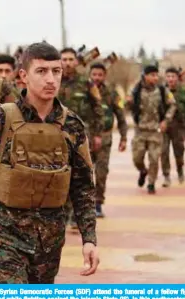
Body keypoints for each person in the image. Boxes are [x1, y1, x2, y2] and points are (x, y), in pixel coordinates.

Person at [0, 42, 99, 284]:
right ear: (23, 76)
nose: (51, 79)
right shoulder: (0, 118)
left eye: (56, 71)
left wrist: (89, 239)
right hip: (4, 237)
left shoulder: (72, 125)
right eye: (42, 71)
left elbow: (83, 187)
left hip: (50, 243)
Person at [58, 47, 103, 228]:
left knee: (80, 175)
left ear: (77, 62)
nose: (68, 63)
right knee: (62, 174)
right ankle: (64, 213)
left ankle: (79, 215)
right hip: (58, 136)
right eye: (64, 59)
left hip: (81, 136)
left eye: (71, 59)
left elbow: (97, 107)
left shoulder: (87, 83)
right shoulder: (53, 81)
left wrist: (98, 133)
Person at [131, 65, 177, 194]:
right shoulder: (136, 90)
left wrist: (166, 121)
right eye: (152, 75)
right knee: (137, 158)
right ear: (145, 76)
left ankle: (151, 183)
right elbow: (128, 104)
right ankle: (142, 171)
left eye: (156, 75)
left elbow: (173, 104)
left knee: (154, 159)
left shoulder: (162, 91)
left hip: (156, 131)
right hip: (140, 130)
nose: (155, 77)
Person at [89, 63, 127, 217]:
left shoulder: (111, 93)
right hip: (84, 137)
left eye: (100, 75)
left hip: (105, 137)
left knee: (101, 172)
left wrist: (123, 137)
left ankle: (98, 203)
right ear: (90, 75)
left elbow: (121, 115)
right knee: (82, 173)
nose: (97, 78)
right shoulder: (84, 90)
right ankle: (82, 204)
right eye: (94, 74)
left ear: (104, 76)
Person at [161, 67, 185, 187]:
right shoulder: (160, 91)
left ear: (177, 78)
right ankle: (166, 176)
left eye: (173, 76)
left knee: (179, 151)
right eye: (168, 76)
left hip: (178, 126)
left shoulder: (183, 92)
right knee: (164, 151)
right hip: (164, 126)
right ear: (165, 77)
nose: (170, 79)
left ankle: (180, 171)